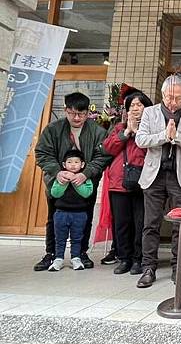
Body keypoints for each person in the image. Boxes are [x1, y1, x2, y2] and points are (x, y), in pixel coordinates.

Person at [135, 75, 181, 288]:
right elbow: (141, 139)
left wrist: (177, 137)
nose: (173, 102)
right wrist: (164, 135)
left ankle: (178, 269)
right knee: (151, 224)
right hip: (154, 175)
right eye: (169, 97)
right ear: (162, 94)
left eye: (178, 98)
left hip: (180, 176)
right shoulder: (149, 112)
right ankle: (148, 268)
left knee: (180, 226)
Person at [34, 92, 112, 271]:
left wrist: (86, 174)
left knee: (85, 219)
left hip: (84, 185)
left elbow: (104, 156)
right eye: (72, 113)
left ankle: (81, 253)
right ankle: (51, 254)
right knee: (53, 219)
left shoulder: (98, 131)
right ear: (65, 110)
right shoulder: (53, 129)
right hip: (57, 185)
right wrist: (57, 171)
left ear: (88, 112)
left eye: (82, 114)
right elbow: (42, 153)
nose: (77, 118)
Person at [103, 91, 153, 275]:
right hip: (119, 182)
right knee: (122, 223)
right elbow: (108, 147)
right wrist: (126, 133)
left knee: (141, 223)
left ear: (147, 108)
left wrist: (139, 133)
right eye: (131, 105)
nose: (135, 108)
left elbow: (153, 150)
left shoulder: (152, 128)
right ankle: (124, 258)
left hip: (143, 182)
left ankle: (138, 259)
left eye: (139, 105)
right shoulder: (118, 127)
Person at [46, 150, 94, 272]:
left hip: (80, 214)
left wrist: (75, 181)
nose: (73, 165)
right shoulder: (60, 177)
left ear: (82, 165)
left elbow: (87, 193)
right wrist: (64, 182)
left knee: (77, 238)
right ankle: (58, 258)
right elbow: (55, 193)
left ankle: (76, 258)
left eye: (76, 162)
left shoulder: (85, 178)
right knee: (60, 238)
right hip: (61, 213)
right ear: (64, 164)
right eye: (69, 162)